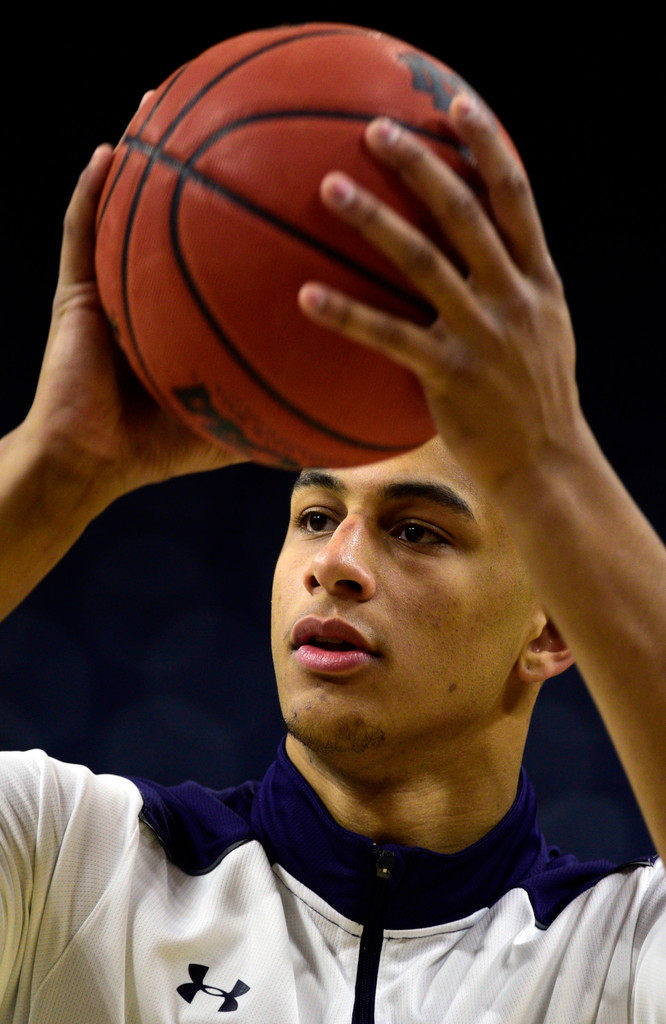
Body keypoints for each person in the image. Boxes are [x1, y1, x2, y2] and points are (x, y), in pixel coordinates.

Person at [0, 88, 664, 1023]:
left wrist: (550, 454)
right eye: (315, 515)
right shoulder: (66, 856)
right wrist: (52, 465)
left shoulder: (620, 952)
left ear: (554, 628)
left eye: (417, 530)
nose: (337, 561)